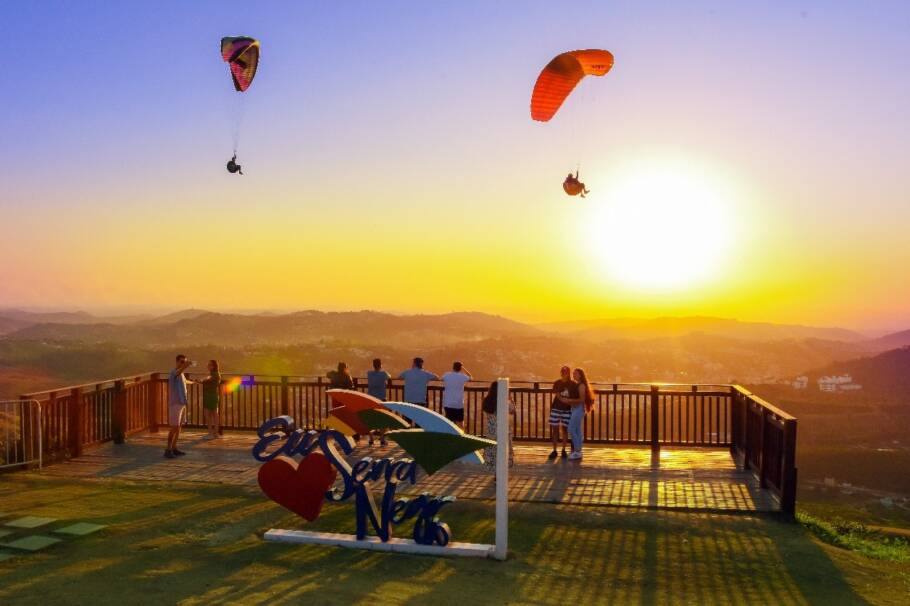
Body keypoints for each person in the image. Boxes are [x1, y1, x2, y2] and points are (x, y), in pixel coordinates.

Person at [557, 368, 596, 460]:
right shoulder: (578, 385)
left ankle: (577, 450)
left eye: (575, 374)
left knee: (571, 428)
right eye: (573, 373)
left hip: (578, 409)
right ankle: (578, 451)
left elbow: (581, 400)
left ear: (580, 375)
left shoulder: (581, 385)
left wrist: (568, 400)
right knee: (577, 430)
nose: (573, 375)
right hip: (575, 409)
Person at [165, 354, 194, 459]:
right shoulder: (174, 372)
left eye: (184, 362)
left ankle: (174, 448)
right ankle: (168, 450)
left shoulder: (181, 374)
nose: (183, 363)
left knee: (179, 427)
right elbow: (178, 373)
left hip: (182, 402)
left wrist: (195, 382)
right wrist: (186, 365)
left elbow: (185, 381)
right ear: (177, 362)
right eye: (181, 362)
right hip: (175, 404)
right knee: (174, 427)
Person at [481, 381, 514, 472]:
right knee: (503, 453)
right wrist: (510, 399)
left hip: (491, 431)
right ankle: (500, 474)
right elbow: (512, 410)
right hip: (503, 431)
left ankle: (496, 473)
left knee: (494, 453)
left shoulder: (487, 401)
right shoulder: (505, 402)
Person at [548, 365, 576, 460]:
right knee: (555, 429)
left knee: (565, 430)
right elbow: (558, 395)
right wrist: (566, 401)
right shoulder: (557, 383)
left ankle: (563, 449)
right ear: (561, 373)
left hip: (566, 409)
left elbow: (573, 396)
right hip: (556, 408)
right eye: (563, 372)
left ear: (568, 373)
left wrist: (566, 401)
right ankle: (555, 450)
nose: (564, 374)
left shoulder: (573, 384)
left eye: (566, 372)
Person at [366, 358, 391, 447]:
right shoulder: (383, 374)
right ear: (380, 365)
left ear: (373, 365)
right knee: (382, 419)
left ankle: (371, 438)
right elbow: (389, 377)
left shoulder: (369, 373)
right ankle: (382, 439)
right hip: (381, 399)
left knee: (371, 419)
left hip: (371, 398)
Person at [441, 361, 472, 428]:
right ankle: (461, 436)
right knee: (460, 422)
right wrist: (464, 369)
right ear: (460, 368)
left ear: (453, 367)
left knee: (449, 423)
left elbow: (441, 378)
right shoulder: (463, 376)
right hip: (458, 404)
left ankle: (449, 436)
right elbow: (471, 377)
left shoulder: (447, 375)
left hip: (448, 403)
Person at [200, 360, 222, 439]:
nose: (208, 366)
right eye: (208, 364)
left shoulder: (214, 374)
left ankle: (212, 433)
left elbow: (208, 379)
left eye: (210, 365)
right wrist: (203, 380)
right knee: (213, 414)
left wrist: (202, 380)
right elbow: (208, 379)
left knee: (209, 414)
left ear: (214, 366)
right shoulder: (215, 374)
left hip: (211, 396)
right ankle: (214, 433)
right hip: (212, 395)